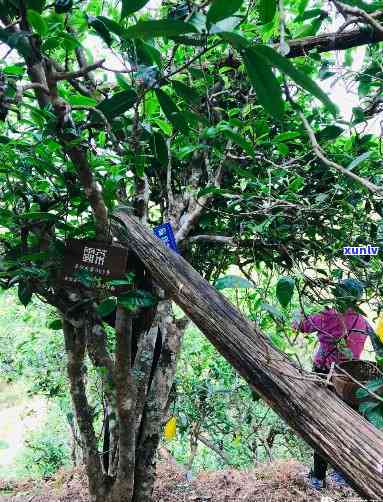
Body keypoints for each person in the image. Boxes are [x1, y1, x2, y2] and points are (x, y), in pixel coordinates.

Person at [292, 278, 371, 490]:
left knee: (322, 423)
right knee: (344, 425)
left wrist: (302, 309)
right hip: (351, 379)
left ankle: (318, 477)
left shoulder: (328, 316)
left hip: (325, 376)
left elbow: (299, 325)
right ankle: (341, 474)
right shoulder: (363, 322)